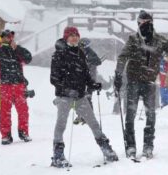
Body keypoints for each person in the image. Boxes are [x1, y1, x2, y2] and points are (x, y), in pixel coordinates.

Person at [114, 10, 168, 159]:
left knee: (151, 115)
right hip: (133, 81)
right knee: (130, 115)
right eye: (142, 23)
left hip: (150, 82)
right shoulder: (133, 39)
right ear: (138, 24)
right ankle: (130, 146)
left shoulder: (159, 40)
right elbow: (122, 57)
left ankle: (148, 145)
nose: (144, 25)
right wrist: (118, 74)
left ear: (151, 23)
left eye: (147, 22)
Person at [50, 27, 118, 167]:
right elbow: (54, 78)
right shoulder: (58, 54)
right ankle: (58, 156)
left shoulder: (80, 53)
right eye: (71, 35)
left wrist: (93, 84)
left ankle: (106, 149)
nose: (74, 38)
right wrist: (67, 90)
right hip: (64, 96)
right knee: (61, 124)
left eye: (76, 35)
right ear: (66, 37)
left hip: (80, 96)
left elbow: (85, 75)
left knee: (93, 123)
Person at [0, 30, 32, 145]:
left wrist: (17, 48)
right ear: (2, 39)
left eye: (10, 37)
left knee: (23, 111)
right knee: (5, 112)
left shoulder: (17, 50)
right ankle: (5, 136)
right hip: (5, 86)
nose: (8, 39)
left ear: (12, 38)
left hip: (19, 85)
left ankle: (24, 132)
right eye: (5, 37)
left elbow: (28, 58)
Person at [73, 38, 111, 125]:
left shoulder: (90, 52)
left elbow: (98, 61)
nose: (80, 47)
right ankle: (80, 115)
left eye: (82, 45)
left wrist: (87, 61)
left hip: (90, 79)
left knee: (87, 97)